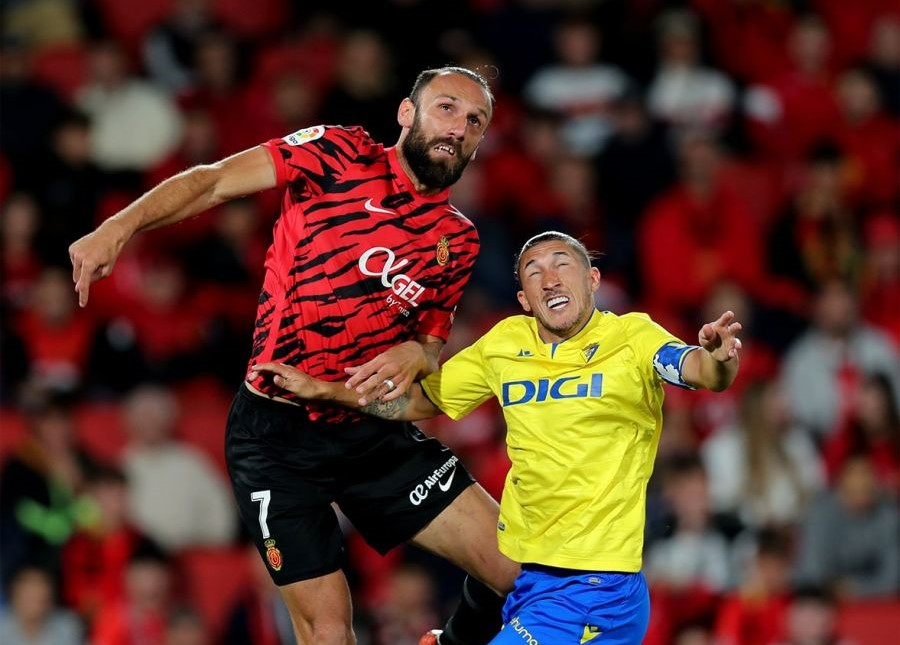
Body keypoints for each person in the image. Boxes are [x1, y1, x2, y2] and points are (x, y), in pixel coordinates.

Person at [68, 66, 519, 645]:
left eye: (475, 120)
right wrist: (119, 226)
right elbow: (211, 182)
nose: (459, 127)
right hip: (273, 436)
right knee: (329, 634)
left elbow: (428, 349)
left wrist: (420, 351)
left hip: (366, 430)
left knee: (516, 574)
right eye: (447, 108)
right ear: (407, 114)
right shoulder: (337, 152)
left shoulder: (457, 240)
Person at [251, 230, 743, 644]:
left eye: (562, 264)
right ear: (525, 300)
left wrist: (719, 359)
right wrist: (328, 391)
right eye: (534, 272)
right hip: (528, 583)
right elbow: (420, 402)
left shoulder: (633, 337)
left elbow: (695, 369)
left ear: (592, 280)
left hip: (596, 588)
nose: (550, 278)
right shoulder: (506, 343)